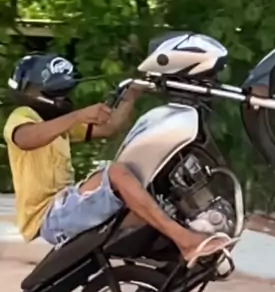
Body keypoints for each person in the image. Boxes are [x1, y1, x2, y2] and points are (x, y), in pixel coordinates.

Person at [3, 53, 231, 267]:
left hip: (66, 203)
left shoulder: (57, 124)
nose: (63, 98)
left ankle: (188, 253)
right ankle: (186, 241)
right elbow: (26, 139)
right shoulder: (22, 117)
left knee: (146, 195)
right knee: (116, 173)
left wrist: (131, 94)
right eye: (57, 94)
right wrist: (78, 116)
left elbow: (109, 127)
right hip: (47, 217)